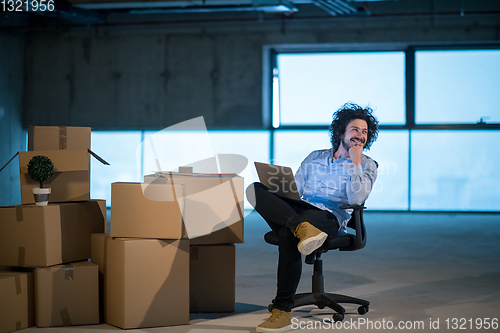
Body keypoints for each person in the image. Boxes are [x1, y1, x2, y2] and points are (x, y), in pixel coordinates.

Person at [246, 102, 379, 333]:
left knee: (288, 234)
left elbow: (357, 200)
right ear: (341, 132)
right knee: (255, 189)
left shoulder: (367, 164)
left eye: (365, 132)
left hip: (328, 217)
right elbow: (294, 191)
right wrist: (280, 188)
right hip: (300, 209)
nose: (361, 136)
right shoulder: (315, 157)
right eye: (355, 130)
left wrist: (355, 161)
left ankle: (282, 310)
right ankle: (301, 227)